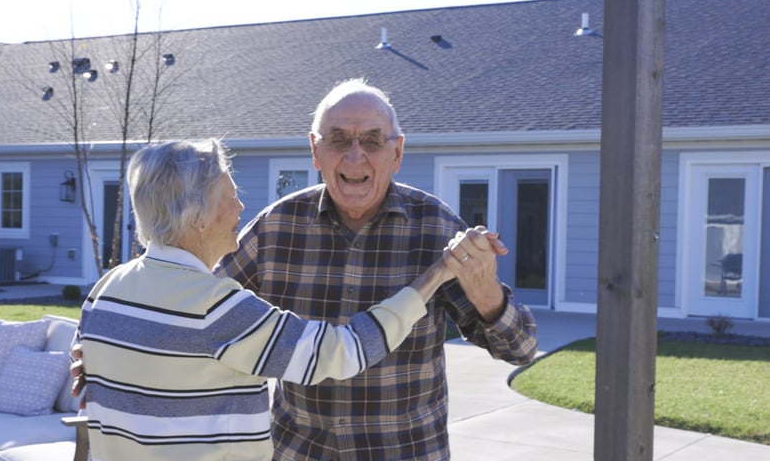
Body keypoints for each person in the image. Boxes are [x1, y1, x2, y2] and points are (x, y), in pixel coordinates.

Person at [74, 138, 463, 460]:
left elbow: (89, 369)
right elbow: (341, 352)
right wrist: (431, 279)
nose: (241, 208)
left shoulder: (105, 292)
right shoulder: (215, 309)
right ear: (198, 217)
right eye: (230, 196)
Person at [216, 78, 539, 459]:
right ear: (315, 151)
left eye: (372, 141)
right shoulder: (276, 228)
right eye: (338, 140)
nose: (355, 158)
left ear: (397, 153)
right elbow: (206, 312)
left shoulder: (435, 228)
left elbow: (521, 350)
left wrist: (487, 293)